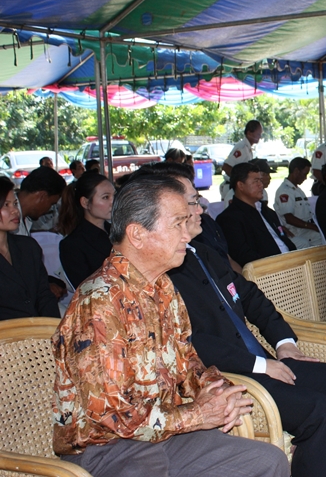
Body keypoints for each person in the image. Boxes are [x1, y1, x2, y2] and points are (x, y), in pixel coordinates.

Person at [52, 174, 288, 477]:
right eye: (177, 224)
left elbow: (187, 361)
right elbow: (112, 415)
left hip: (166, 433)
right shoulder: (98, 303)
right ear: (137, 234)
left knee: (268, 460)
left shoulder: (162, 287)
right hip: (107, 449)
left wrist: (218, 392)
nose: (187, 235)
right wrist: (197, 414)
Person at [166, 173, 326, 477]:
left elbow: (251, 297)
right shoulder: (165, 274)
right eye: (192, 203)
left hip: (266, 361)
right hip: (231, 376)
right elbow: (195, 343)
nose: (200, 210)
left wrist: (284, 344)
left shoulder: (204, 252)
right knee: (321, 411)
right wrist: (262, 366)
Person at [0, 176, 60, 320]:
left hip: (37, 329)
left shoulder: (28, 247)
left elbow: (44, 295)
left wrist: (53, 328)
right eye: (6, 205)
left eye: (15, 204)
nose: (15, 211)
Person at [216, 163, 296, 267]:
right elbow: (242, 256)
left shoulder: (267, 212)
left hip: (291, 262)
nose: (261, 185)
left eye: (261, 181)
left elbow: (284, 240)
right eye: (256, 181)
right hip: (268, 269)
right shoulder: (229, 219)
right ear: (240, 185)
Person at [57, 173, 114, 289]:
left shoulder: (119, 231)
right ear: (85, 202)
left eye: (115, 196)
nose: (113, 202)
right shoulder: (72, 244)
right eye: (105, 197)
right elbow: (84, 288)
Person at [274, 157, 323, 249]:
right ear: (296, 171)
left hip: (305, 228)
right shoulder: (285, 191)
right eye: (304, 174)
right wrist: (312, 226)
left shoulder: (297, 190)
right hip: (296, 231)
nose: (305, 178)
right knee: (320, 238)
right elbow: (289, 218)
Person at [13, 166, 66, 236]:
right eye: (51, 204)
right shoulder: (6, 216)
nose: (49, 209)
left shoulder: (25, 219)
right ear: (42, 196)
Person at [222, 120, 263, 199]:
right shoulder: (241, 148)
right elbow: (226, 167)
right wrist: (240, 182)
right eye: (258, 134)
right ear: (249, 133)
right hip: (233, 190)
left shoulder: (248, 148)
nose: (260, 137)